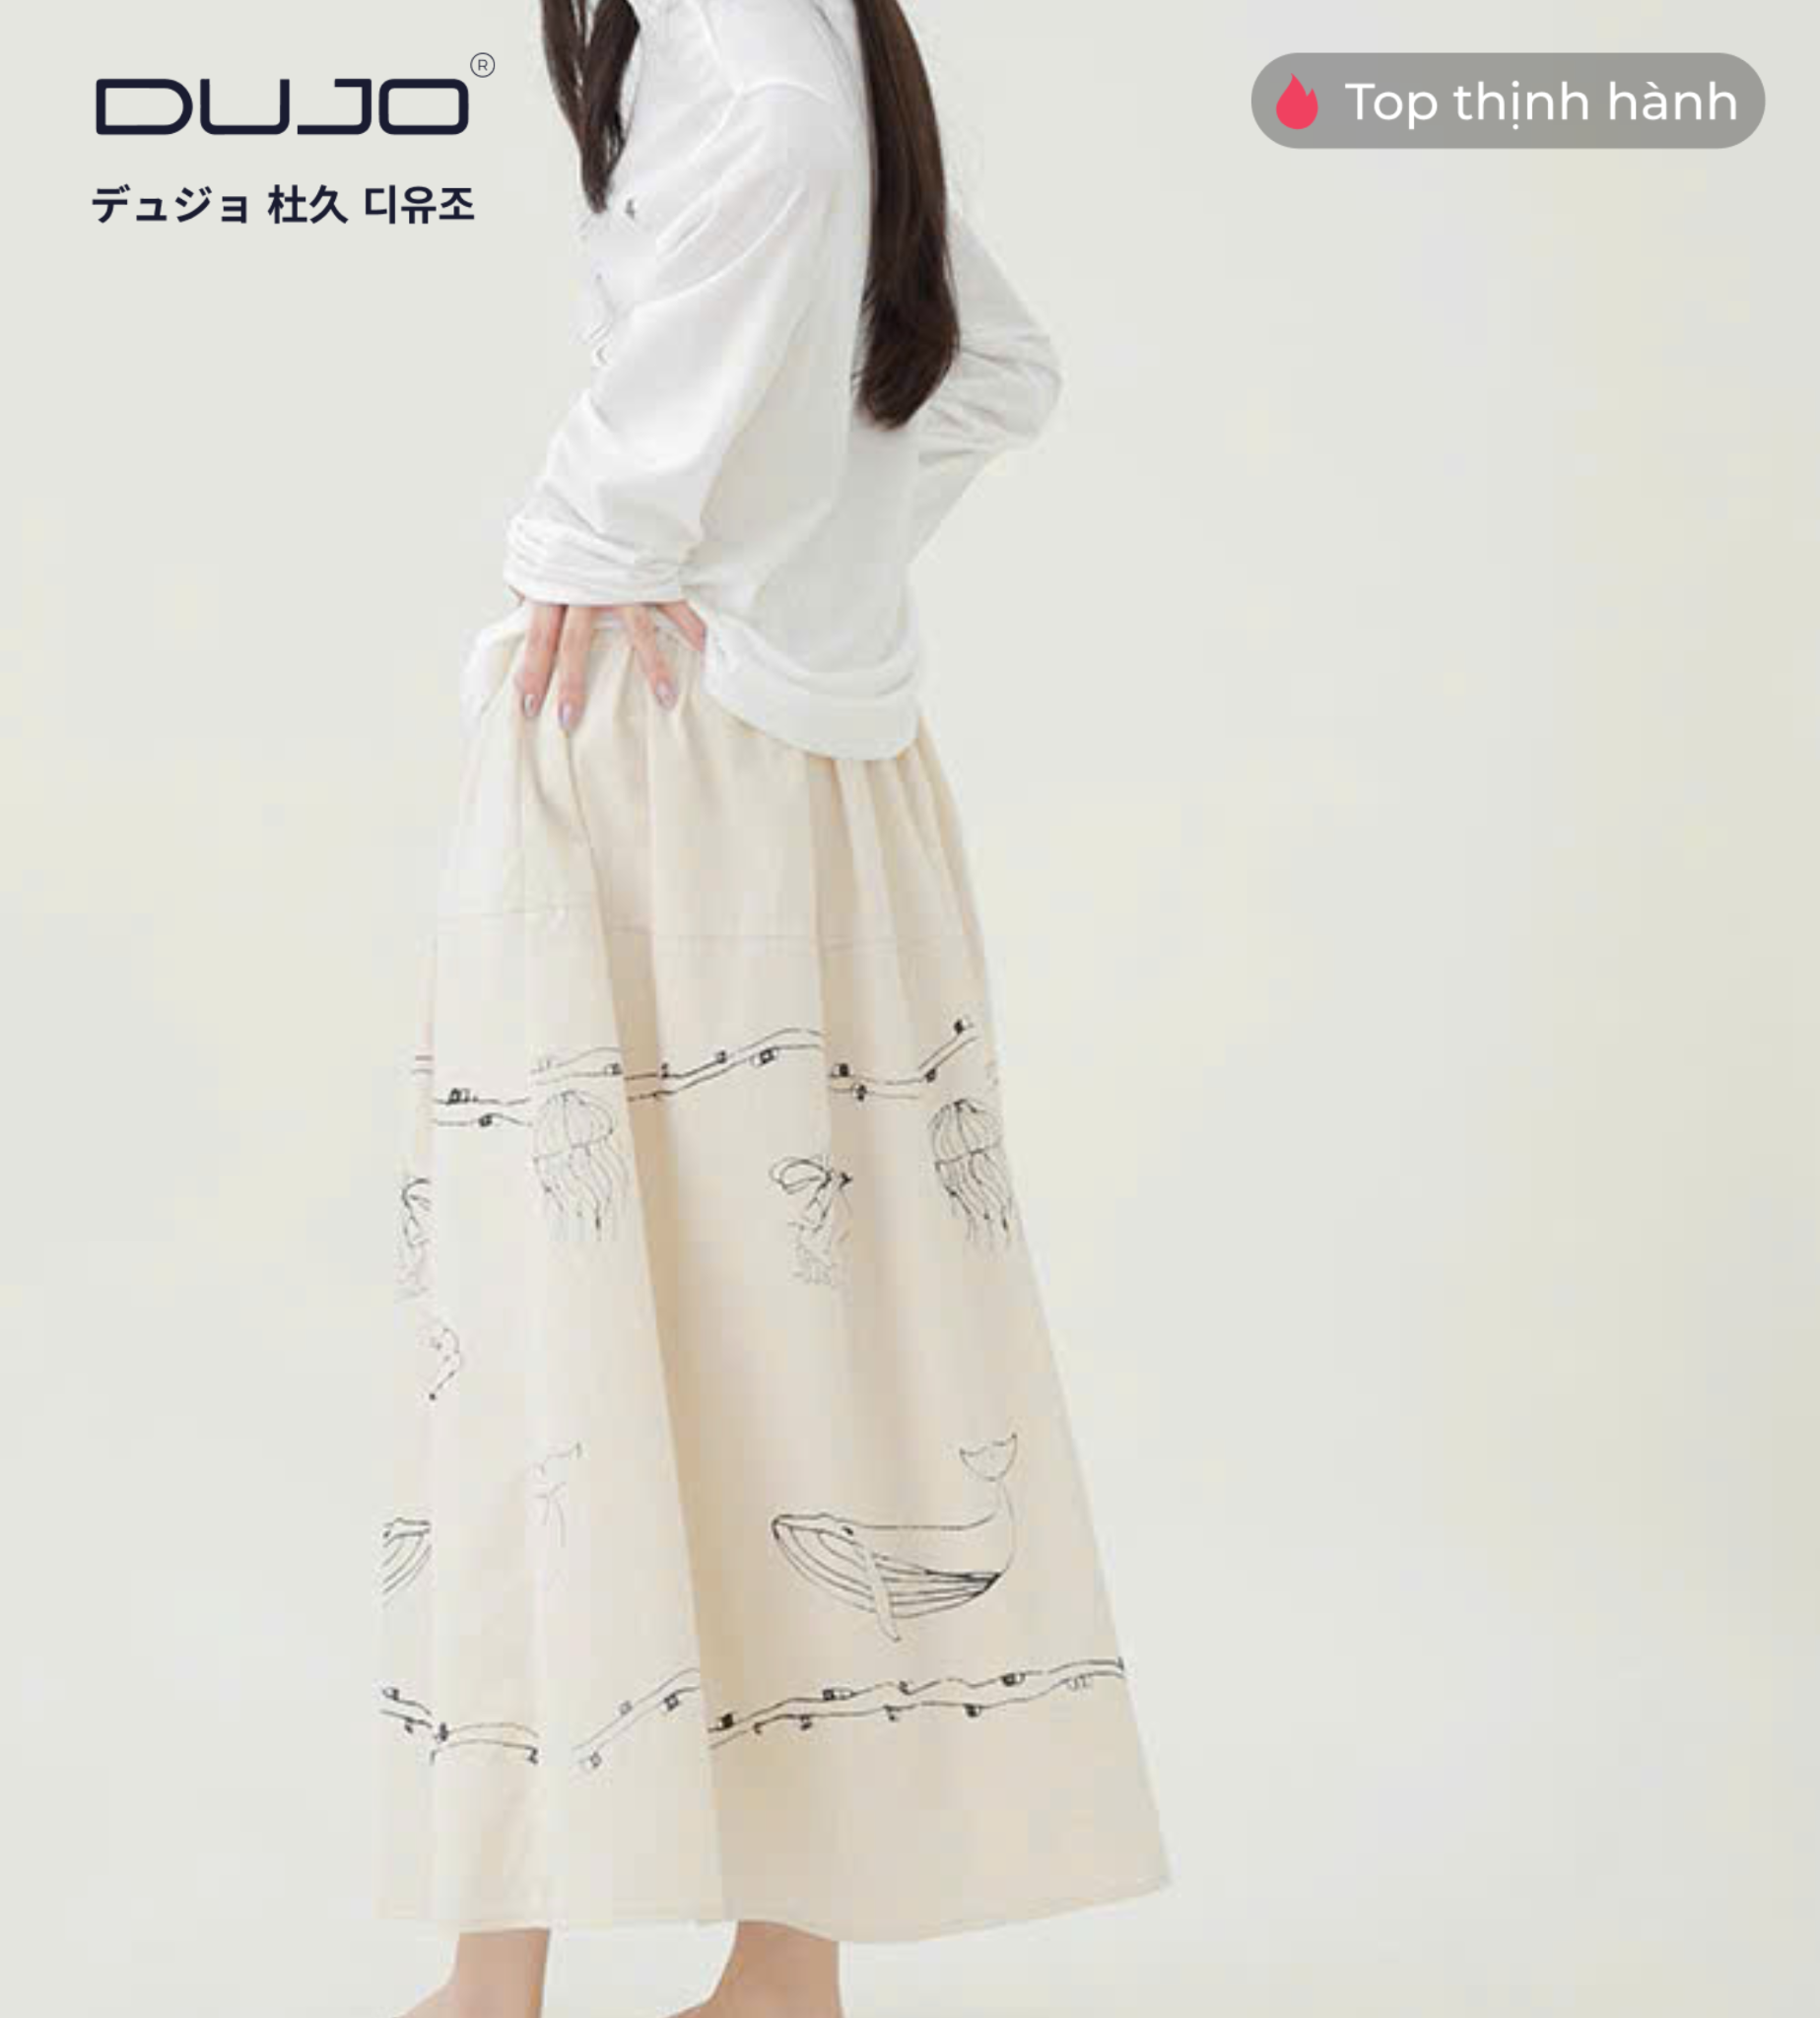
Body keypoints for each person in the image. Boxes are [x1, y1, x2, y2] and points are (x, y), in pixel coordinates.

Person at [381, 5, 1170, 2014]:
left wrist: (614, 544)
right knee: (796, 1348)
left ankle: (502, 1979)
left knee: (564, 1341)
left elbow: (802, 218)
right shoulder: (800, 39)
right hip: (801, 767)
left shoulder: (750, 69)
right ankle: (770, 1968)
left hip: (652, 761)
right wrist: (809, 566)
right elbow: (990, 364)